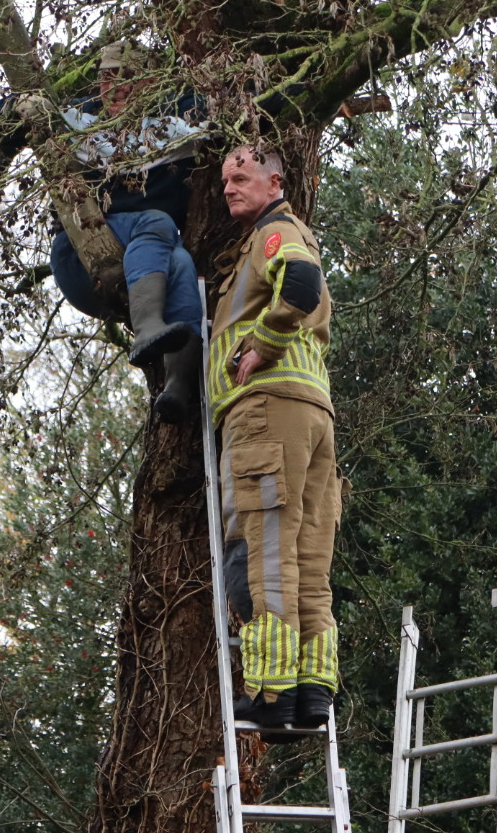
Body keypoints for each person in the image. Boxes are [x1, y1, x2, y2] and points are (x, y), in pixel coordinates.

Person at [207, 145, 340, 731]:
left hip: (266, 411)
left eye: (242, 176)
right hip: (313, 414)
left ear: (275, 181)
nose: (230, 187)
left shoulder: (275, 232)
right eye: (225, 179)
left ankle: (270, 691)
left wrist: (259, 342)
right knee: (309, 559)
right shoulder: (285, 233)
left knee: (264, 552)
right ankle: (313, 691)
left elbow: (302, 284)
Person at [48, 41, 207, 423]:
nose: (113, 88)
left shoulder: (177, 121)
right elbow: (15, 108)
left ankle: (179, 389)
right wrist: (6, 115)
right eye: (106, 78)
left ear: (151, 83)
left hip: (147, 265)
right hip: (80, 255)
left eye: (126, 78)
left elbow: (258, 102)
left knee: (182, 264)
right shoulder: (80, 119)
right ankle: (148, 327)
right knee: (157, 221)